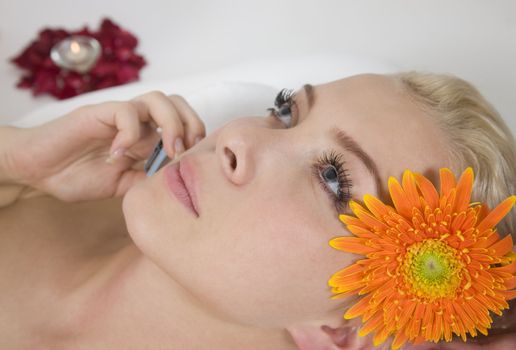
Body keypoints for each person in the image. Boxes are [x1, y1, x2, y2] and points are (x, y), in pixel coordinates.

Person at [0, 72, 514, 350]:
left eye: (334, 178)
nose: (240, 134)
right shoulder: (51, 183)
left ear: (343, 331)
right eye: (286, 111)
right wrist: (16, 164)